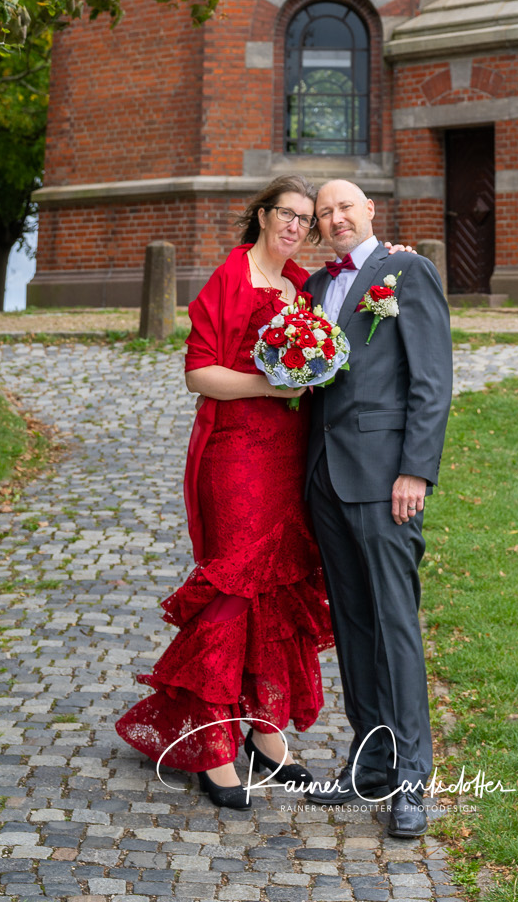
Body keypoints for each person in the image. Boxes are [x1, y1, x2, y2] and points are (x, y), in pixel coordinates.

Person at [114, 176, 330, 810]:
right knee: (235, 586)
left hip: (289, 458)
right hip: (235, 453)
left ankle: (265, 736)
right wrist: (272, 387)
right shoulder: (230, 279)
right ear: (262, 215)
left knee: (275, 589)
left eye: (306, 220)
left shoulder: (302, 286)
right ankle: (211, 746)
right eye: (286, 214)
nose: (295, 227)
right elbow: (197, 373)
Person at [302, 178, 454, 838]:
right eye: (323, 212)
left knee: (394, 627)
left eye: (344, 207)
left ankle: (411, 781)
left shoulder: (405, 271)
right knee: (354, 625)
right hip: (325, 480)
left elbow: (431, 379)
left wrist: (415, 470)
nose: (334, 219)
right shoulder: (312, 291)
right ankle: (370, 764)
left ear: (368, 211)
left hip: (386, 477)